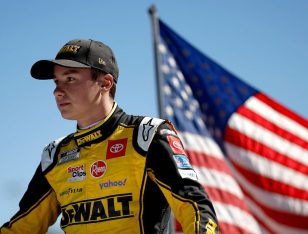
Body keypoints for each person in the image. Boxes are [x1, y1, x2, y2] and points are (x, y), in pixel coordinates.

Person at [0, 39, 218, 234]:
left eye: (70, 79)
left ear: (105, 83)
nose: (57, 91)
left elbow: (195, 206)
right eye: (56, 82)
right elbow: (22, 227)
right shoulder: (55, 155)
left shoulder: (148, 135)